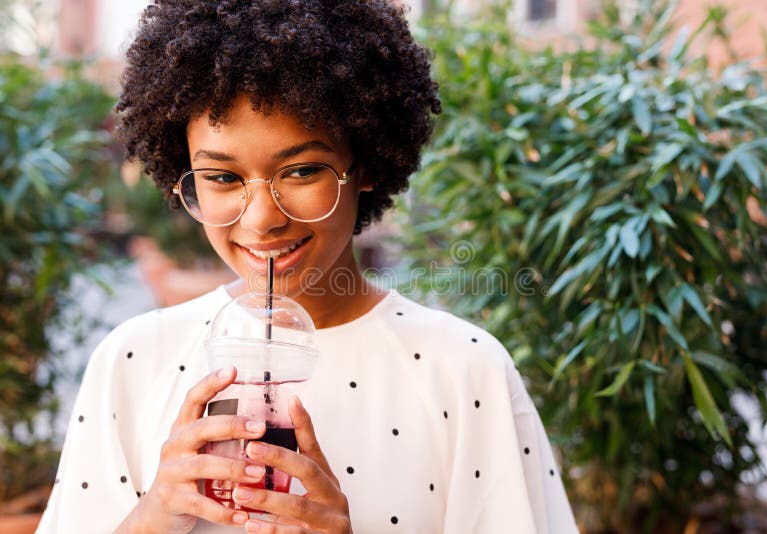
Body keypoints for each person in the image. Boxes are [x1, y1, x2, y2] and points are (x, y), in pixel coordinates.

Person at [37, 1, 578, 533]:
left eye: (300, 171)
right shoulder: (132, 360)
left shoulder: (463, 372)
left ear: (363, 165)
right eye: (223, 178)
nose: (263, 219)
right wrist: (151, 519)